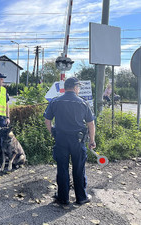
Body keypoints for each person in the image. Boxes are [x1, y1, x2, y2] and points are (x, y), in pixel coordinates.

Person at [43, 77, 96, 205]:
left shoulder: (55, 102)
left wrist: (53, 134)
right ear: (75, 87)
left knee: (62, 168)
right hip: (78, 141)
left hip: (61, 140)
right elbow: (91, 123)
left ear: (65, 87)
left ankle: (63, 198)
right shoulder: (83, 103)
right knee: (79, 168)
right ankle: (81, 197)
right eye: (78, 87)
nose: (79, 89)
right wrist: (92, 140)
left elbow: (47, 121)